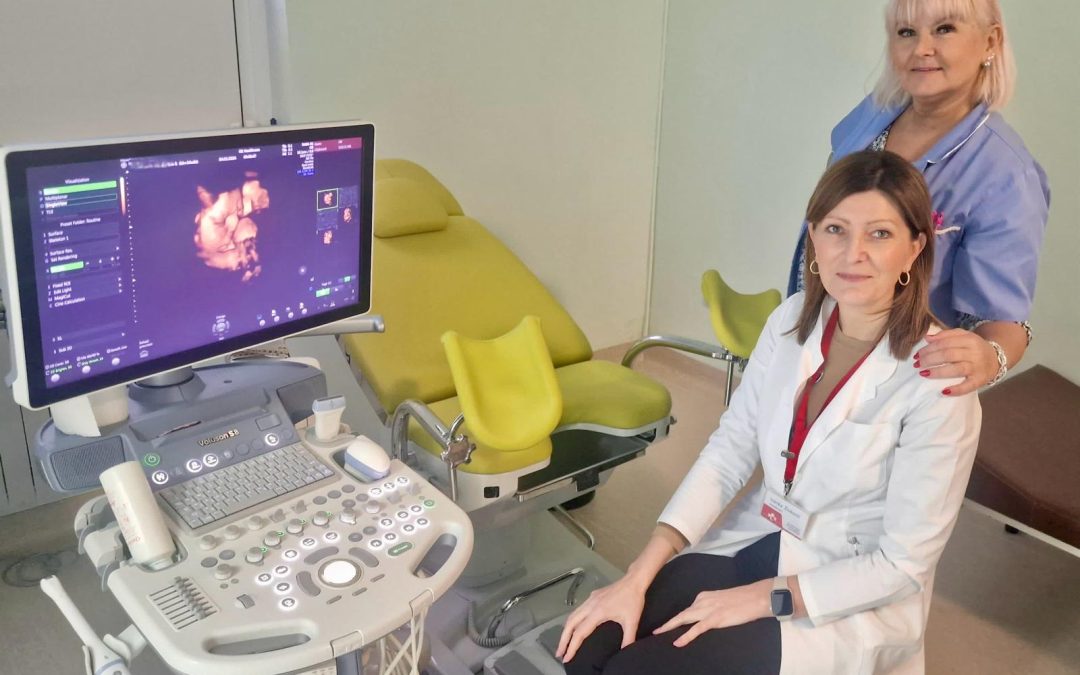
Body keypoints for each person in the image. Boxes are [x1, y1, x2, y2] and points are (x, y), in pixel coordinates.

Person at [557, 150, 981, 675]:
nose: (853, 253)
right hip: (765, 536)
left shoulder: (938, 379)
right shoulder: (789, 321)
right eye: (836, 229)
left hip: (846, 589)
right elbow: (729, 451)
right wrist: (637, 575)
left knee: (636, 670)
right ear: (813, 237)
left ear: (914, 248)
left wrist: (764, 599)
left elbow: (902, 565)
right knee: (589, 648)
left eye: (879, 234)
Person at [787, 0, 1049, 397]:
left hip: (892, 382)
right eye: (907, 32)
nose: (922, 48)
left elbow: (1002, 322)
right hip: (813, 334)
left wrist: (991, 357)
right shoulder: (877, 111)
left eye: (944, 29)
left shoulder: (1007, 175)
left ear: (990, 41)